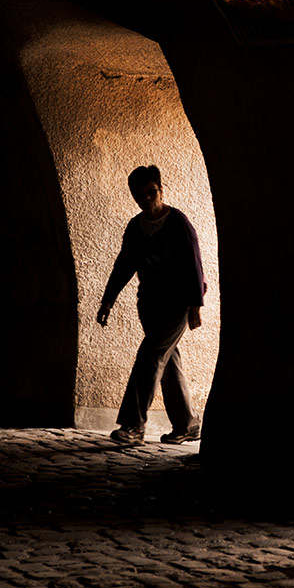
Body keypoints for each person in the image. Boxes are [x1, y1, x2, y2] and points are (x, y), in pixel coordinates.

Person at [97, 165, 205, 446]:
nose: (146, 198)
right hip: (150, 304)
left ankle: (134, 425)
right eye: (140, 194)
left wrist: (196, 304)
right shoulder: (135, 227)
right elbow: (124, 265)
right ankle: (187, 424)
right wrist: (108, 299)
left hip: (177, 305)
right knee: (167, 361)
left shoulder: (178, 222)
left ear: (160, 188)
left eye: (151, 192)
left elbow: (194, 264)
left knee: (148, 357)